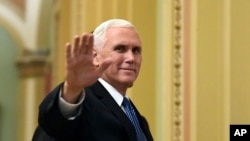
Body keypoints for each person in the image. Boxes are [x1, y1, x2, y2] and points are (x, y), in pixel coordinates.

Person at [37, 19, 154, 141]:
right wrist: (72, 88)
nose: (131, 58)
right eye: (120, 49)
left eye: (136, 51)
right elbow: (54, 125)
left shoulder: (137, 118)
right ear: (95, 56)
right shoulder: (80, 102)